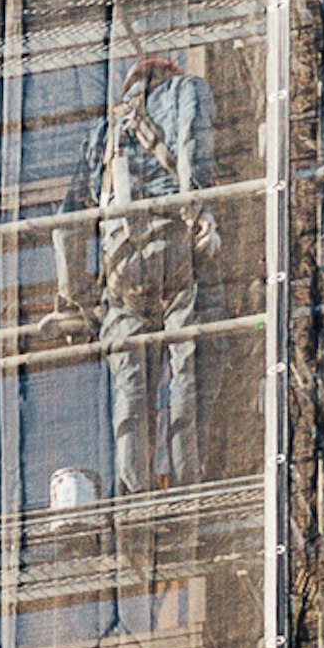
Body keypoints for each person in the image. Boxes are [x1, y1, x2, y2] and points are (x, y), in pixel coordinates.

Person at [54, 46, 218, 495]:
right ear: (170, 72)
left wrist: (78, 301)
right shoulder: (187, 90)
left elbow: (66, 226)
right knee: (187, 368)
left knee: (131, 395)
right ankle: (187, 492)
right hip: (173, 243)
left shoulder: (102, 134)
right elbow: (190, 147)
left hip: (120, 264)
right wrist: (201, 212)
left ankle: (137, 501)